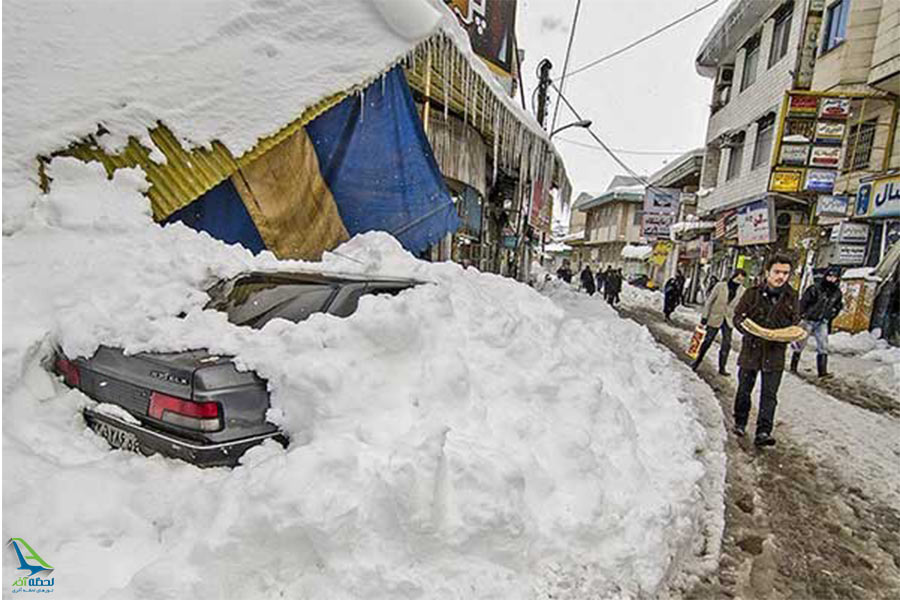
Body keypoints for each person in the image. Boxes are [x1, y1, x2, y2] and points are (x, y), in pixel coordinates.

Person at [731, 254, 800, 447]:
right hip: (751, 350)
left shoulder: (792, 296)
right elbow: (738, 317)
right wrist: (749, 330)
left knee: (769, 395)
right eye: (777, 272)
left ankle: (763, 431)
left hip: (775, 353)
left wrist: (791, 334)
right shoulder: (752, 293)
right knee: (745, 389)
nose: (781, 276)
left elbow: (795, 322)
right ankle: (740, 422)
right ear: (767, 272)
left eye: (785, 273)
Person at [790, 266, 844, 377]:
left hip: (822, 321)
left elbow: (838, 306)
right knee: (800, 344)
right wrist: (801, 315)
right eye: (829, 276)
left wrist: (831, 315)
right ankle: (793, 367)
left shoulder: (837, 293)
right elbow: (803, 303)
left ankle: (822, 372)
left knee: (823, 345)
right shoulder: (815, 288)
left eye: (834, 277)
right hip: (808, 320)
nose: (831, 279)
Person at [691, 269, 746, 375]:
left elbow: (739, 307)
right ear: (733, 276)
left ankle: (722, 368)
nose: (739, 281)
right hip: (715, 317)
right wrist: (704, 317)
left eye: (742, 280)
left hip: (728, 320)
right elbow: (709, 302)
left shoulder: (742, 291)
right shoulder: (720, 286)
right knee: (707, 341)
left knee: (726, 344)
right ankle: (697, 361)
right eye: (738, 278)